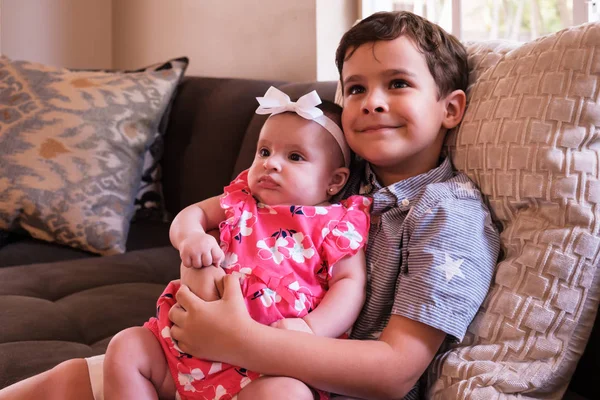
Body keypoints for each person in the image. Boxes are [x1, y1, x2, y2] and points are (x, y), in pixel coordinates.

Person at [0, 11, 500, 400]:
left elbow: (394, 374)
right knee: (88, 369)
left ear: (450, 108)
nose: (371, 101)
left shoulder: (446, 212)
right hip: (207, 357)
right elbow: (224, 217)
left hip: (298, 378)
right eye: (355, 88)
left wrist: (239, 342)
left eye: (398, 83)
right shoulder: (341, 181)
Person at [103, 86, 371, 400]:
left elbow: (350, 283)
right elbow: (192, 214)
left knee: (289, 395)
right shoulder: (241, 200)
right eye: (265, 151)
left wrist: (312, 329)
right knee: (127, 346)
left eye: (295, 156)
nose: (271, 164)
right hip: (183, 350)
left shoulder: (336, 223)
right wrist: (192, 236)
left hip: (266, 367)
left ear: (334, 181)